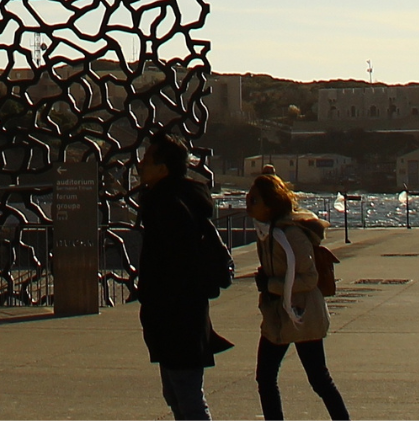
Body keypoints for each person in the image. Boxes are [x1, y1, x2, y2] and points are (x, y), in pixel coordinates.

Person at [137, 135, 235, 420]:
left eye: (147, 160)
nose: (140, 165)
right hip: (178, 316)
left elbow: (178, 262)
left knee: (187, 396)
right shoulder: (172, 199)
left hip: (177, 316)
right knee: (177, 394)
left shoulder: (168, 205)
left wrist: (160, 298)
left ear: (163, 168)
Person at [249, 173, 349, 421]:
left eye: (254, 200)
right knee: (266, 377)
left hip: (302, 316)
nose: (248, 204)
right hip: (279, 316)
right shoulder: (266, 232)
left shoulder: (290, 235)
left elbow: (310, 279)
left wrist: (270, 285)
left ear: (270, 205)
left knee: (318, 379)